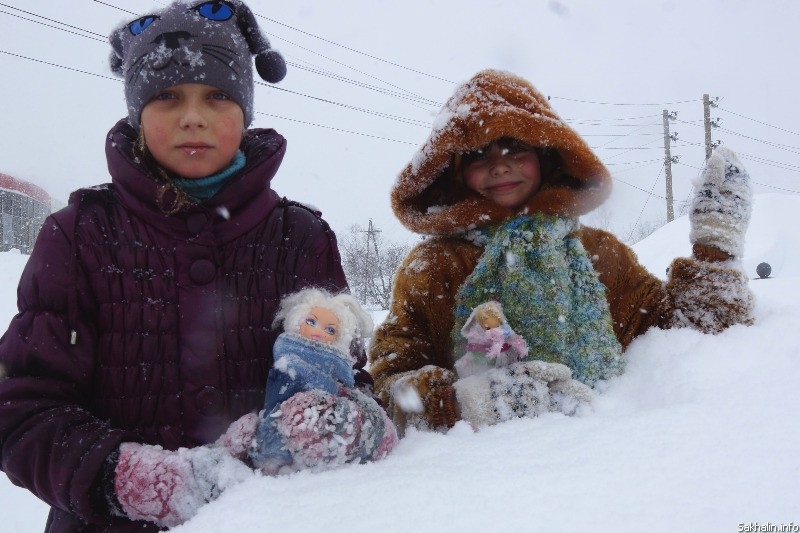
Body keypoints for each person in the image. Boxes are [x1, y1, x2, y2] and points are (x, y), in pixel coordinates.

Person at [0, 2, 389, 531]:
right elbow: (23, 406)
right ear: (137, 114)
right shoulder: (78, 235)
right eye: (166, 96)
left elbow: (347, 376)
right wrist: (132, 479)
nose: (193, 116)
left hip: (277, 520)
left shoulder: (300, 237)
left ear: (244, 112)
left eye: (218, 95)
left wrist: (353, 422)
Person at [369, 69, 754, 434]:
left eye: (516, 150)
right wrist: (458, 401)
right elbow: (391, 380)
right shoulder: (433, 267)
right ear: (454, 170)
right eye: (479, 156)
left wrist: (715, 249)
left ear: (547, 156)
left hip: (614, 462)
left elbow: (687, 336)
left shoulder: (600, 253)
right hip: (477, 480)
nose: (500, 168)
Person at [249, 288, 397, 475]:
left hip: (323, 429)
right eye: (311, 322)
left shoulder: (338, 363)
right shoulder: (291, 362)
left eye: (330, 329)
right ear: (297, 321)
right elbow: (277, 403)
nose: (318, 331)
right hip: (292, 432)